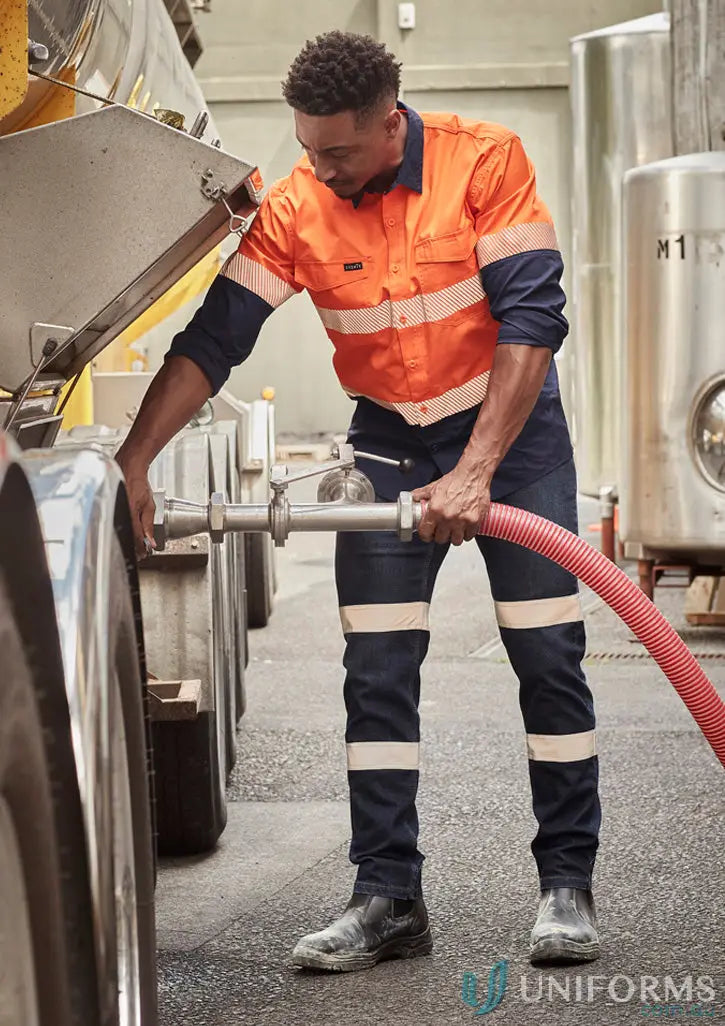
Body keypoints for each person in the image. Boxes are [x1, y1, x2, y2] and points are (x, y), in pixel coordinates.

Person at [115, 29, 601, 973]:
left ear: (390, 124)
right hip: (388, 442)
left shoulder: (484, 161)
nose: (318, 167)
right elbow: (215, 339)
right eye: (306, 147)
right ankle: (386, 896)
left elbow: (534, 317)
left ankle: (566, 887)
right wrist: (136, 460)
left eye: (335, 150)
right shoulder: (299, 204)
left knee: (547, 654)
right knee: (377, 675)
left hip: (513, 436)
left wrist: (476, 471)